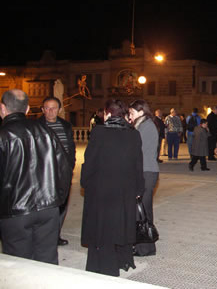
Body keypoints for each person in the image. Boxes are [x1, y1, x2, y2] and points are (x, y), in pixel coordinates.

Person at [0, 89, 72, 264]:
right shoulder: (46, 132)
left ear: (2, 108)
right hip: (48, 207)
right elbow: (64, 168)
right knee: (47, 260)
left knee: (19, 264)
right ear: (27, 109)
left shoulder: (3, 135)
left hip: (15, 210)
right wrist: (57, 199)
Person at [81, 99, 144, 277]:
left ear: (107, 113)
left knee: (102, 230)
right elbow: (138, 165)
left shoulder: (99, 132)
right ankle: (121, 260)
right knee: (120, 227)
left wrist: (85, 183)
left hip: (101, 190)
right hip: (124, 190)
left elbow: (90, 162)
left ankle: (104, 267)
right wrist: (139, 189)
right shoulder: (133, 135)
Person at [39, 96, 76, 246]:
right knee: (45, 206)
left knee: (62, 206)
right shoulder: (36, 126)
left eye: (54, 108)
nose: (50, 111)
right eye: (47, 108)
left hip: (63, 172)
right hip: (43, 173)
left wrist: (70, 165)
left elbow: (71, 147)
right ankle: (43, 236)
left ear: (59, 110)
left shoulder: (66, 125)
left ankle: (55, 235)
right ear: (42, 110)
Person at [129, 99, 160, 257]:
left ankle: (146, 247)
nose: (130, 115)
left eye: (132, 112)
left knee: (143, 210)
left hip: (146, 171)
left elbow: (138, 150)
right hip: (145, 170)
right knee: (141, 210)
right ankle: (142, 245)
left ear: (141, 111)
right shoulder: (141, 125)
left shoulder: (146, 126)